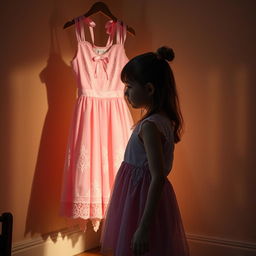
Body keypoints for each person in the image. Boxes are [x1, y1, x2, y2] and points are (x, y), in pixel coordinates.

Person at [100, 46, 190, 256]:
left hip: (141, 201)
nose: (126, 92)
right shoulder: (163, 121)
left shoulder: (150, 126)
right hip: (140, 196)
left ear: (149, 89)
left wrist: (143, 226)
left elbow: (157, 176)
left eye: (130, 86)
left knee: (138, 245)